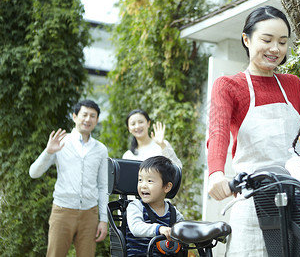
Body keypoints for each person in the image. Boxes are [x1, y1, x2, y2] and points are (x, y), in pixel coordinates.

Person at [207, 5, 300, 256]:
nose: (275, 49)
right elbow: (218, 132)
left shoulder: (293, 85)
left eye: (282, 42)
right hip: (252, 202)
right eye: (267, 39)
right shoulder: (229, 85)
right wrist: (216, 174)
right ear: (246, 39)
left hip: (297, 199)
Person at [29, 100, 108, 257]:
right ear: (74, 116)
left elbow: (103, 185)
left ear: (97, 120)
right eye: (84, 114)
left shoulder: (101, 149)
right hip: (62, 211)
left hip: (89, 214)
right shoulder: (61, 142)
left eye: (93, 116)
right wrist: (48, 152)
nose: (88, 119)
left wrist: (103, 220)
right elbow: (34, 173)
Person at [126, 156, 184, 257]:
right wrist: (159, 229)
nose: (143, 185)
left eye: (149, 181)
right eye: (140, 180)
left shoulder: (173, 212)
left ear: (167, 187)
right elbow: (136, 227)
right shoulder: (136, 206)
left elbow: (184, 228)